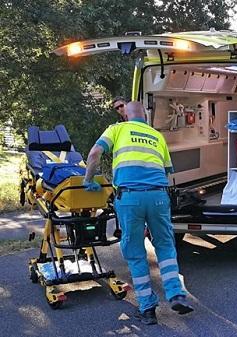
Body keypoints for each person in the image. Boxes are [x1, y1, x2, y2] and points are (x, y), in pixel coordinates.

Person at [83, 102, 193, 325]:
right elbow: (167, 170)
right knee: (164, 244)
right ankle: (176, 294)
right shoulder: (156, 135)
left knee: (135, 251)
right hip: (159, 197)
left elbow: (95, 153)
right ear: (146, 116)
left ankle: (147, 308)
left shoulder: (117, 129)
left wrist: (88, 180)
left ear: (126, 116)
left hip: (130, 197)